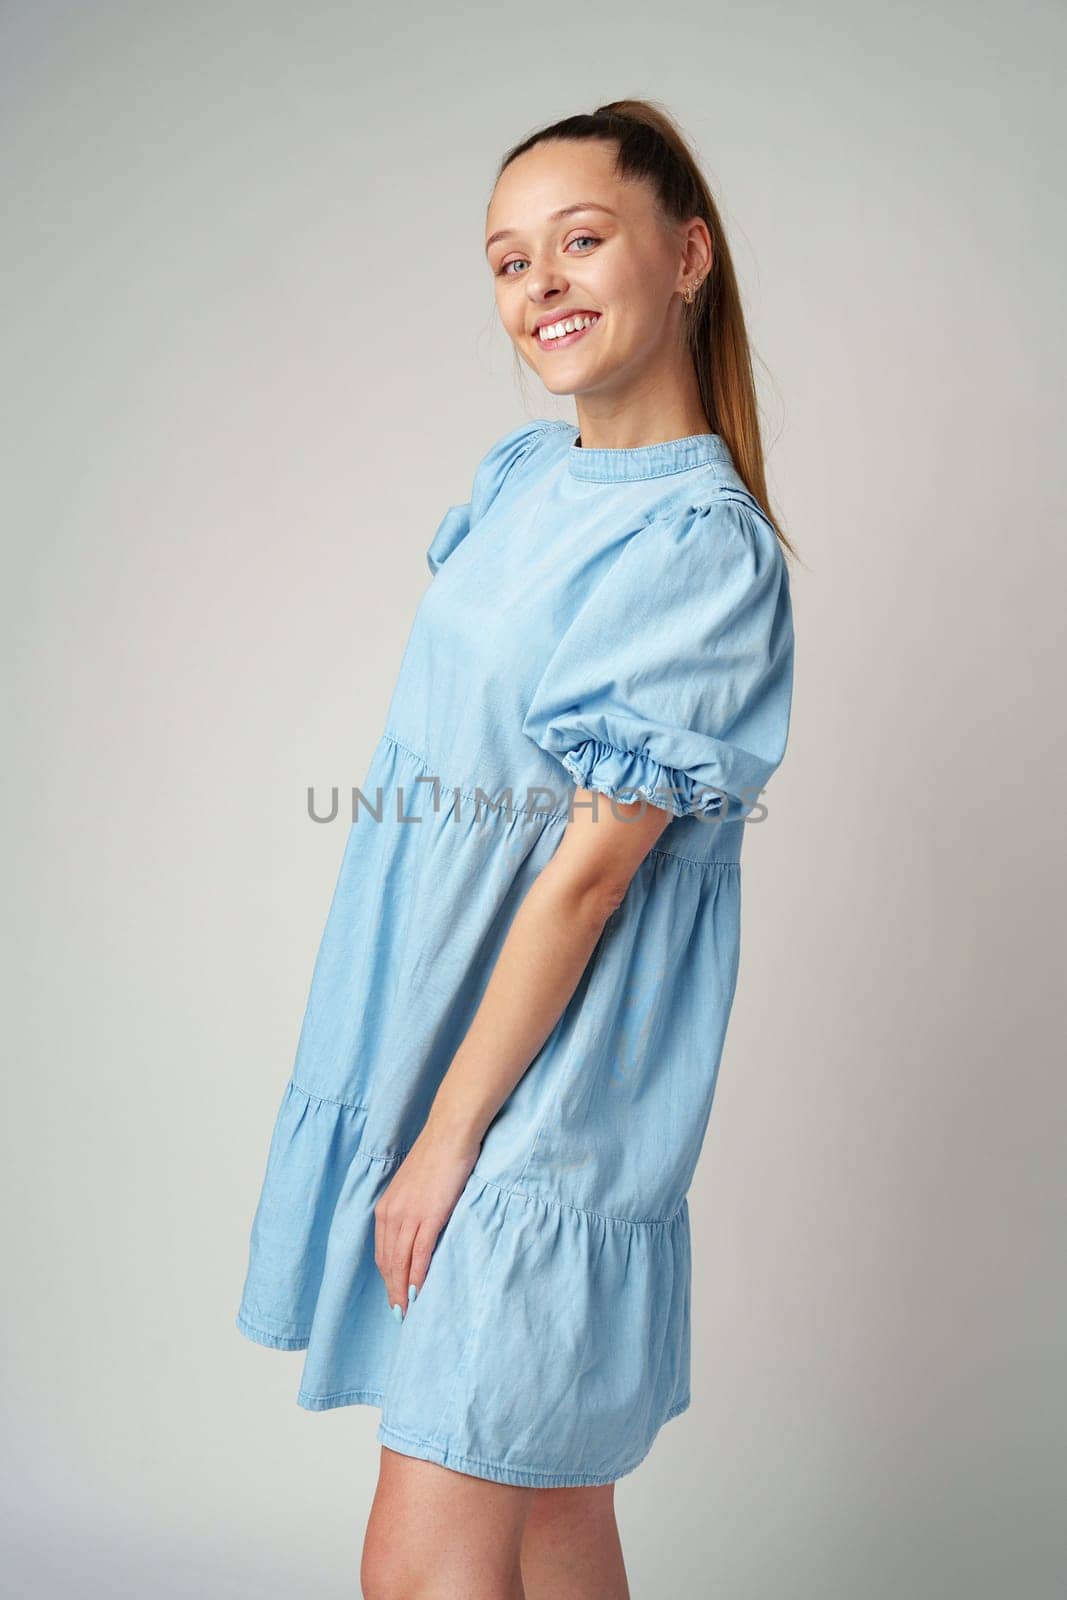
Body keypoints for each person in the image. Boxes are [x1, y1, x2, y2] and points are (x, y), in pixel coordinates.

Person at [236, 98, 797, 1600]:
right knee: (551, 1525)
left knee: (422, 1570)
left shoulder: (702, 549)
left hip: (548, 1095)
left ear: (687, 256)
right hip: (450, 1033)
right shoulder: (522, 480)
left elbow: (592, 872)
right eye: (506, 261)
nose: (538, 283)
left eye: (581, 240)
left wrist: (445, 1140)